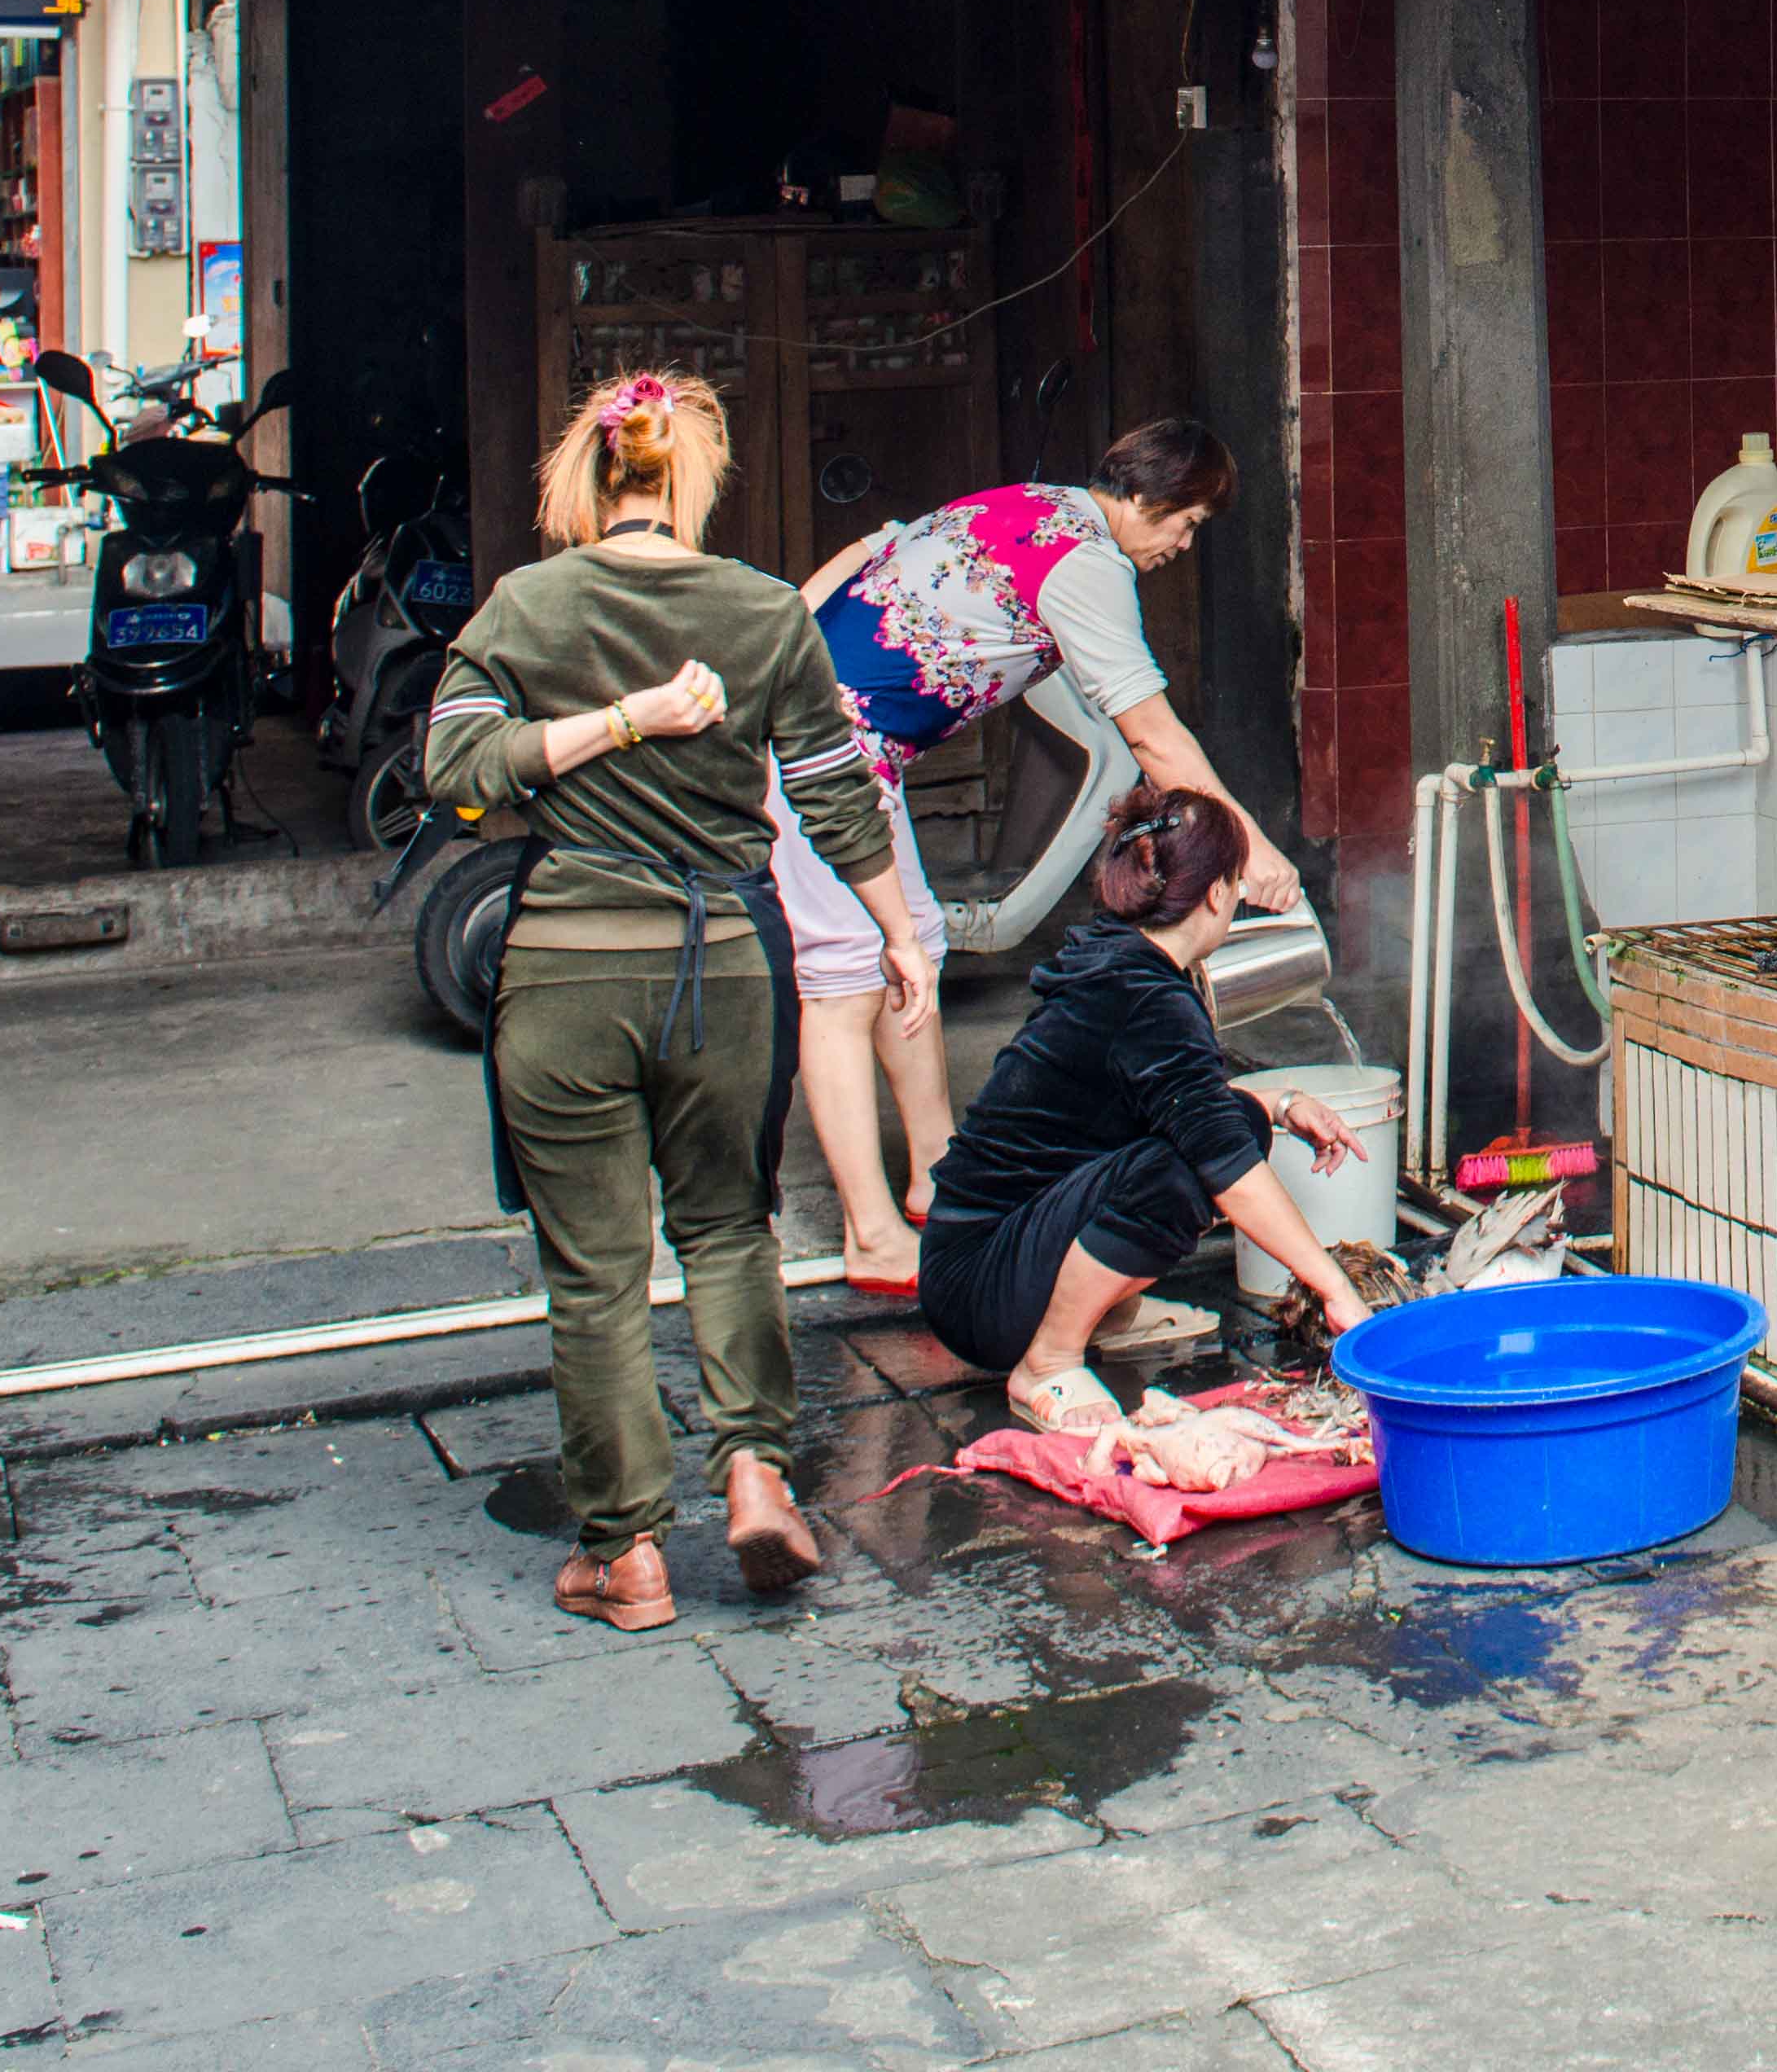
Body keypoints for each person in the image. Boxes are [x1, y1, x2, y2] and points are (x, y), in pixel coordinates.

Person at [423, 372, 926, 1634]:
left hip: (565, 976)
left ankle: (625, 1555)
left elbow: (453, 772)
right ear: (695, 480)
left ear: (588, 479)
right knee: (729, 1230)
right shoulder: (762, 611)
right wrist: (898, 932)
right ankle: (756, 1473)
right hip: (727, 975)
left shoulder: (526, 606)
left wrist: (593, 728)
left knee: (594, 1274)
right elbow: (833, 791)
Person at [776, 423, 1285, 1293]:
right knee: (844, 979)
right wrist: (1251, 842)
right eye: (1187, 523)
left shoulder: (1030, 505)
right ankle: (869, 1235)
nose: (1183, 545)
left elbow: (875, 547)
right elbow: (1151, 732)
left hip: (849, 745)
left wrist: (791, 642)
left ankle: (937, 1182)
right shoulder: (1089, 564)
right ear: (1148, 498)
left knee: (917, 950)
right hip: (816, 752)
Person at [924, 779, 1380, 1446]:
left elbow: (1185, 1105)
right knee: (1178, 1173)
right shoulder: (1148, 998)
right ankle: (1048, 1360)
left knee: (1239, 1123)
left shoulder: (1119, 956)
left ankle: (1103, 1310)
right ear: (1220, 893)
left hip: (991, 1251)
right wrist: (1334, 1287)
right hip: (979, 1286)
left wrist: (1281, 1105)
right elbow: (1223, 1166)